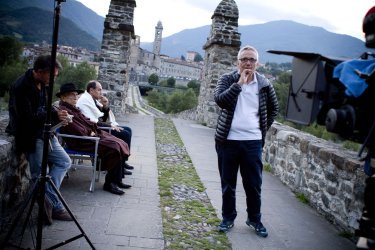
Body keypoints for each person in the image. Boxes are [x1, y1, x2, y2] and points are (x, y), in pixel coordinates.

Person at [214, 45, 279, 237]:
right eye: (244, 59)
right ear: (238, 62)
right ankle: (228, 218)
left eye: (251, 59)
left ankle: (254, 219)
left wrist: (260, 130)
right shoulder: (227, 79)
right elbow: (220, 100)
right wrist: (239, 84)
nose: (248, 63)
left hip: (253, 142)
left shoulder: (264, 84)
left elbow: (274, 109)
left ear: (257, 63)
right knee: (228, 184)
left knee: (253, 184)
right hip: (228, 141)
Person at [6, 54, 73, 224]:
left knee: (64, 161)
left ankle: (47, 201)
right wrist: (54, 114)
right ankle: (56, 206)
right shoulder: (21, 87)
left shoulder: (43, 84)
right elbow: (27, 117)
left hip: (46, 133)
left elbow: (45, 107)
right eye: (52, 75)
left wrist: (59, 114)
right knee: (39, 175)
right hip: (30, 136)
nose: (54, 79)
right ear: (39, 71)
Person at [56, 83, 132, 195]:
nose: (75, 97)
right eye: (72, 95)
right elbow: (73, 128)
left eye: (76, 94)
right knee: (114, 147)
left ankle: (117, 180)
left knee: (119, 141)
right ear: (63, 97)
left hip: (89, 137)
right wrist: (88, 132)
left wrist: (92, 128)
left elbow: (86, 120)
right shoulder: (64, 111)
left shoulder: (72, 108)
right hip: (81, 141)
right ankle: (109, 184)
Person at [76, 80, 134, 175]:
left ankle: (123, 161)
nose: (101, 92)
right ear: (91, 90)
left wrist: (105, 106)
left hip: (98, 126)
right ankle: (121, 165)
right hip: (95, 129)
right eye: (99, 90)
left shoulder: (93, 101)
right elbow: (94, 122)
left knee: (128, 130)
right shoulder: (85, 101)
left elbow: (102, 118)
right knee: (125, 134)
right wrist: (110, 125)